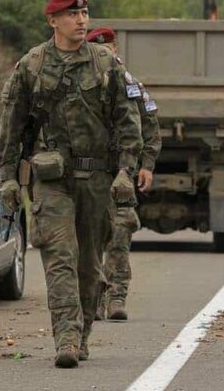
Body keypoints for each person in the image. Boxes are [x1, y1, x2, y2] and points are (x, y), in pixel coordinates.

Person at [0, 0, 142, 368]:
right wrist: (8, 177)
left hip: (97, 180)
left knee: (89, 265)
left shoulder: (106, 65)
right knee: (59, 257)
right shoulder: (31, 66)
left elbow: (129, 121)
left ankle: (83, 334)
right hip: (51, 179)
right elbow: (11, 127)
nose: (81, 21)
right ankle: (67, 338)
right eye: (73, 15)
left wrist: (126, 170)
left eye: (84, 14)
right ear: (53, 21)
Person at [85, 27, 160, 322]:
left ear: (117, 49)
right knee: (89, 238)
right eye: (100, 50)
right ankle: (93, 296)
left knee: (119, 233)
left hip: (121, 172)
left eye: (110, 48)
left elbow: (150, 126)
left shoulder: (130, 85)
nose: (107, 54)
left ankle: (116, 296)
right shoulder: (79, 86)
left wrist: (146, 164)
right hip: (88, 173)